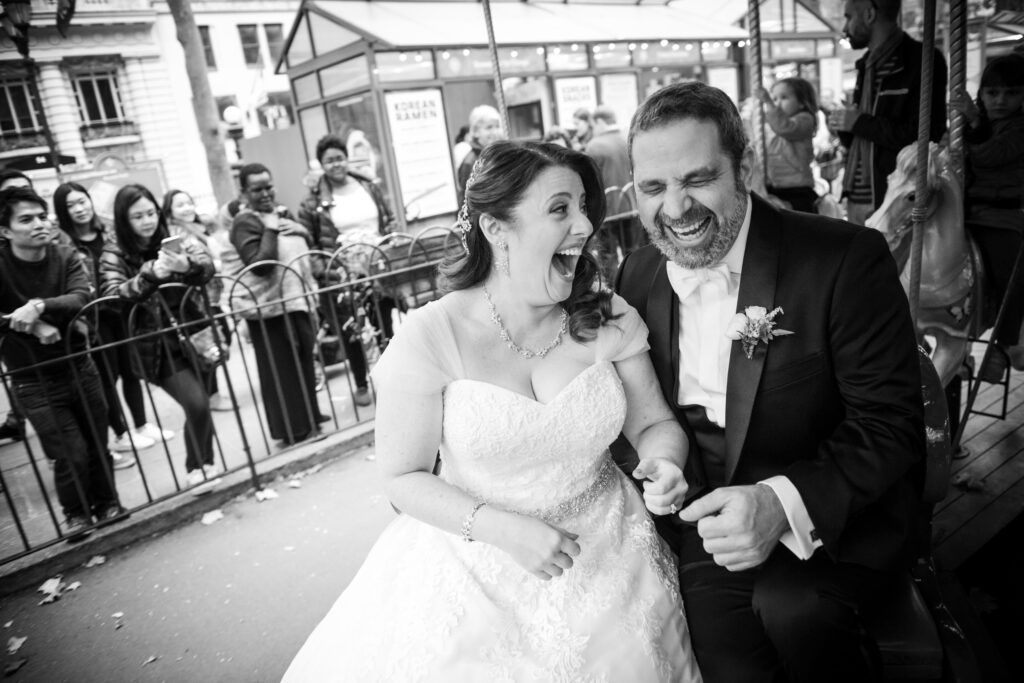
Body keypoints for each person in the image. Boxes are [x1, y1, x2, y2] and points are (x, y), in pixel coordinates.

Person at [283, 141, 703, 681]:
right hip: (474, 567)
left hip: (614, 558)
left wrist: (665, 462)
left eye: (582, 207)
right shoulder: (430, 335)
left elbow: (652, 423)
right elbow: (401, 477)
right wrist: (504, 530)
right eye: (559, 209)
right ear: (495, 228)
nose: (583, 226)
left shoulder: (607, 314)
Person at [617, 82, 925, 682]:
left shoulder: (845, 260)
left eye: (698, 179)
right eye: (655, 187)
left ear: (744, 169)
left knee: (795, 609)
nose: (676, 208)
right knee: (717, 647)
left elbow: (890, 427)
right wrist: (662, 467)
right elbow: (643, 413)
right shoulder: (638, 272)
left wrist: (779, 504)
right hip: (708, 526)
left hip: (836, 520)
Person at [1, 186, 127, 541]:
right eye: (26, 219)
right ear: (5, 230)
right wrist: (27, 323)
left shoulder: (64, 254)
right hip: (33, 379)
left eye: (41, 216)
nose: (39, 224)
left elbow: (81, 296)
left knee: (96, 440)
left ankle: (108, 504)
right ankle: (75, 514)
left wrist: (39, 307)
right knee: (69, 450)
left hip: (80, 365)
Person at [99, 184, 220, 490]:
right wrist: (152, 274)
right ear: (123, 220)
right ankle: (198, 466)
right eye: (137, 216)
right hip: (154, 344)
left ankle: (203, 463)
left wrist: (188, 266)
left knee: (202, 402)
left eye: (151, 212)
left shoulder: (173, 239)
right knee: (196, 404)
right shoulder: (114, 252)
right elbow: (112, 297)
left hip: (195, 332)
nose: (147, 221)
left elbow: (206, 267)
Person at [54, 182, 165, 465]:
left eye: (83, 201)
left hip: (122, 310)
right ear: (62, 211)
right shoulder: (63, 242)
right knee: (106, 376)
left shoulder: (108, 232)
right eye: (71, 205)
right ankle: (121, 432)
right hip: (93, 317)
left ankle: (141, 424)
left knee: (130, 370)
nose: (80, 208)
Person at [227, 163, 325, 445]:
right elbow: (259, 265)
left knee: (303, 362)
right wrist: (270, 229)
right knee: (282, 372)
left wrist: (300, 230)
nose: (266, 193)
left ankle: (310, 419)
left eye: (268, 186)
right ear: (244, 192)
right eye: (257, 189)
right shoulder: (245, 221)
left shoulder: (280, 212)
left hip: (295, 301)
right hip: (269, 310)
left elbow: (304, 243)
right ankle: (292, 431)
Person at [297, 135, 397, 407]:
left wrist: (390, 248)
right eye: (329, 161)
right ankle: (362, 383)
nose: (335, 165)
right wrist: (326, 273)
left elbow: (387, 219)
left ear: (346, 158)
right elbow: (312, 244)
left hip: (377, 267)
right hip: (342, 276)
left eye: (339, 158)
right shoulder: (312, 202)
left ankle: (393, 380)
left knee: (383, 323)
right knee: (351, 331)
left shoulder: (368, 186)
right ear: (321, 164)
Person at [831, 0, 947, 225]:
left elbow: (924, 137)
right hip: (859, 194)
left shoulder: (921, 60)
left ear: (869, 14)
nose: (845, 28)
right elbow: (863, 136)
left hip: (894, 198)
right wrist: (844, 126)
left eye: (848, 17)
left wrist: (858, 122)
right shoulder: (867, 66)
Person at [950, 54, 1024, 380]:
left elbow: (992, 155)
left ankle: (1002, 345)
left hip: (1000, 217)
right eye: (993, 93)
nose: (1001, 101)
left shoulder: (1019, 128)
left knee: (1009, 272)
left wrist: (974, 123)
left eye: (1011, 93)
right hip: (962, 214)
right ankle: (955, 345)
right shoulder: (971, 123)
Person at [162, 188, 234, 411]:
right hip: (196, 299)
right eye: (180, 205)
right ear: (169, 211)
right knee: (209, 344)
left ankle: (211, 393)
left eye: (189, 203)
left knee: (220, 341)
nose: (187, 208)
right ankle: (210, 395)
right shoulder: (177, 233)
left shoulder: (199, 228)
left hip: (212, 294)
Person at [585, 105, 640, 283]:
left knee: (609, 257)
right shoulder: (629, 138)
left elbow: (590, 180)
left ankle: (617, 290)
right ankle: (639, 283)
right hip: (633, 206)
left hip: (608, 210)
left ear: (599, 122)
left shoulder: (594, 145)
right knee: (634, 250)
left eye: (593, 125)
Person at [758, 77, 820, 214]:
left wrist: (768, 102)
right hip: (775, 184)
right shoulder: (773, 124)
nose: (777, 104)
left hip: (797, 187)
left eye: (784, 98)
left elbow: (785, 128)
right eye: (774, 99)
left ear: (802, 103)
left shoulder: (805, 120)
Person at [455, 105, 504, 205]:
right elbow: (469, 202)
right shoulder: (472, 162)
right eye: (489, 127)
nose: (495, 132)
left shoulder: (495, 156)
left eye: (497, 126)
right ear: (476, 132)